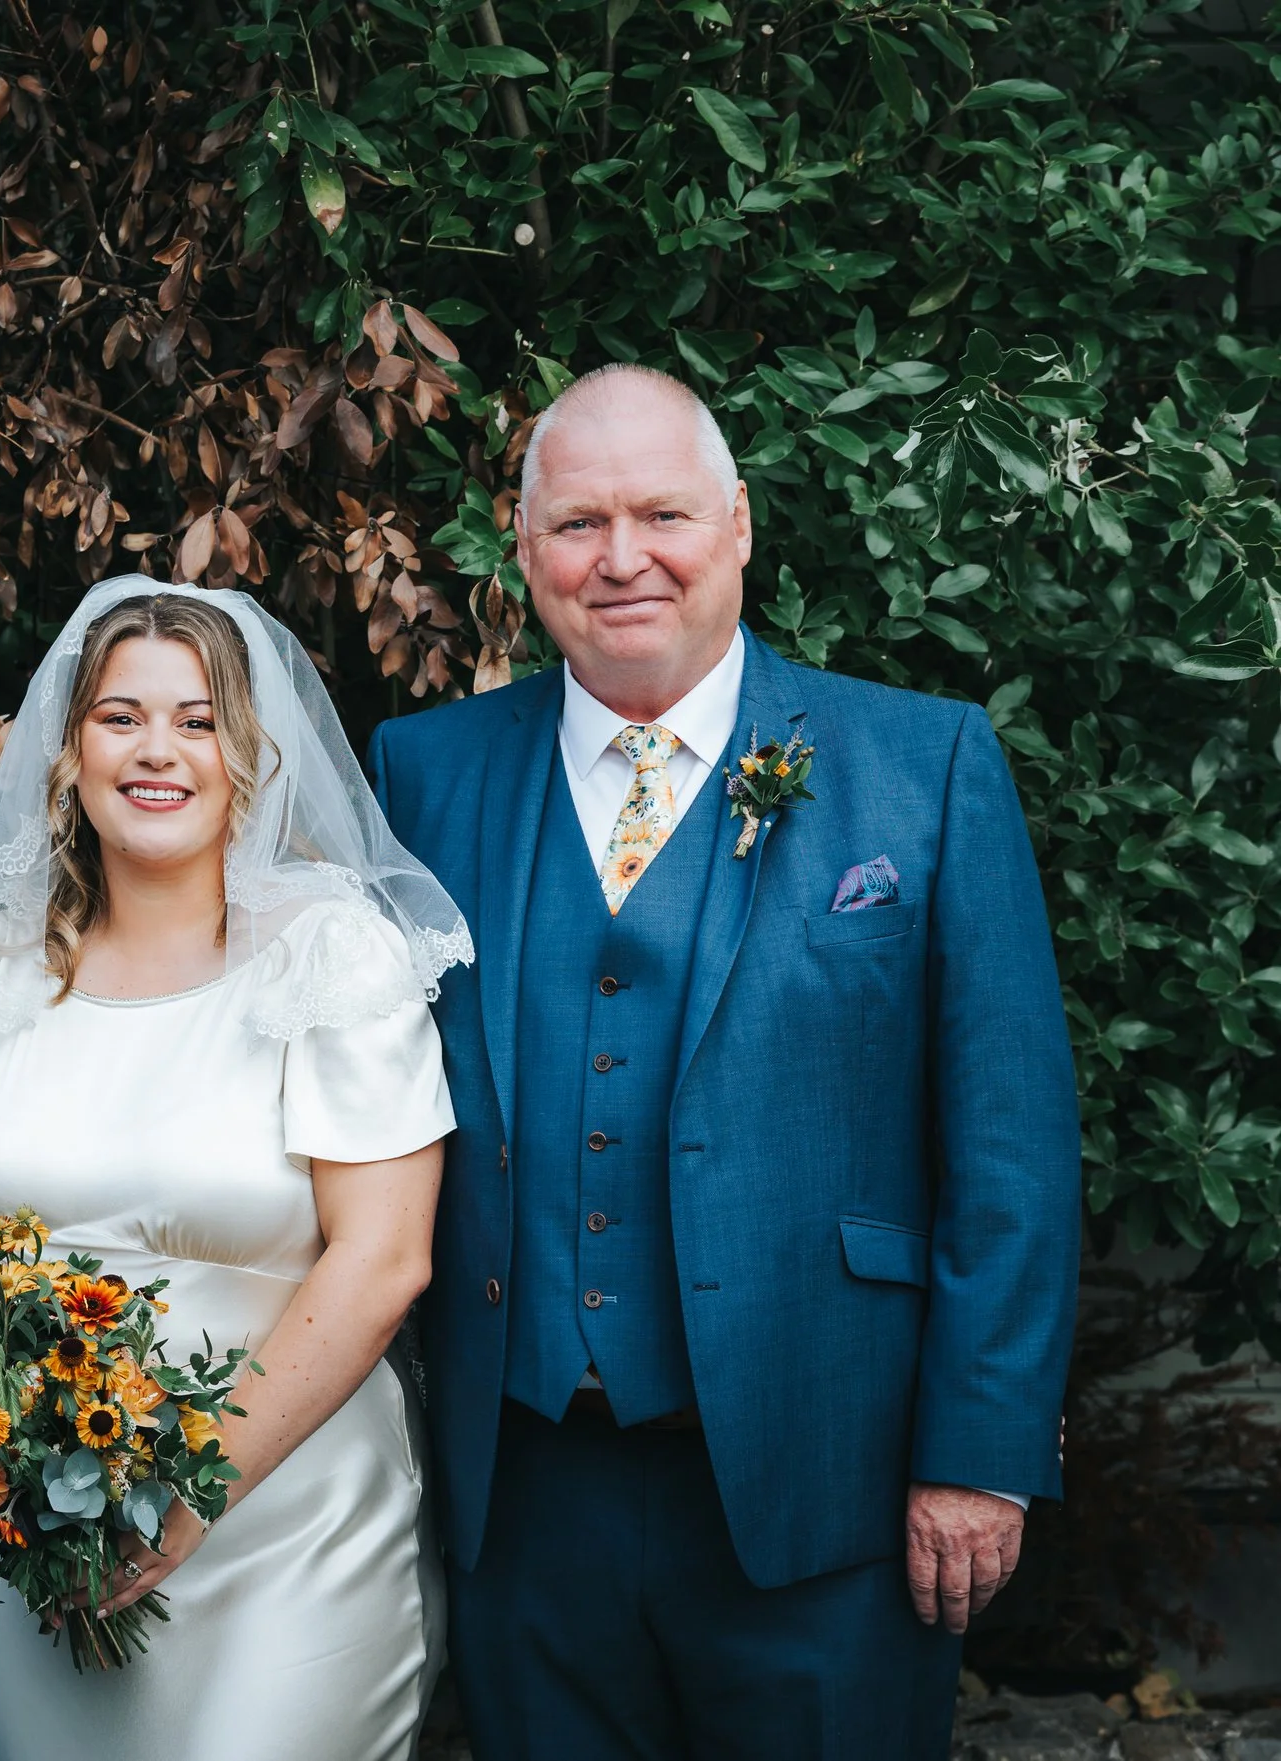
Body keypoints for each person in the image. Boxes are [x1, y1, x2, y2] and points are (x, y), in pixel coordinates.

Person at [370, 362, 1080, 1760]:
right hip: (529, 1493)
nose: (622, 558)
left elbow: (1012, 1144)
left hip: (836, 1482)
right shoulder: (424, 775)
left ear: (741, 527)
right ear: (523, 553)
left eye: (664, 515)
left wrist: (979, 1453)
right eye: (577, 523)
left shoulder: (919, 765)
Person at [0, 581, 470, 1760]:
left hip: (286, 1527)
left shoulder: (331, 956)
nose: (156, 750)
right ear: (67, 752)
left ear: (251, 756)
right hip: (42, 1529)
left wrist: (184, 1492)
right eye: (118, 717)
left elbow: (383, 1258)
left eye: (198, 720)